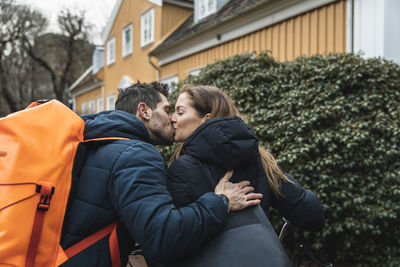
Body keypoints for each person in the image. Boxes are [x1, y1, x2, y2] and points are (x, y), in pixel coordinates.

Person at [60, 82, 262, 266]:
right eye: (167, 110)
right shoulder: (136, 155)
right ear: (144, 111)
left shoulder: (96, 142)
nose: (172, 119)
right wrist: (221, 201)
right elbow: (163, 238)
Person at [165, 85, 325, 266]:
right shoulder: (260, 161)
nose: (172, 119)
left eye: (180, 112)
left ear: (206, 119)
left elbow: (174, 239)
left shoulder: (181, 167)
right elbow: (311, 214)